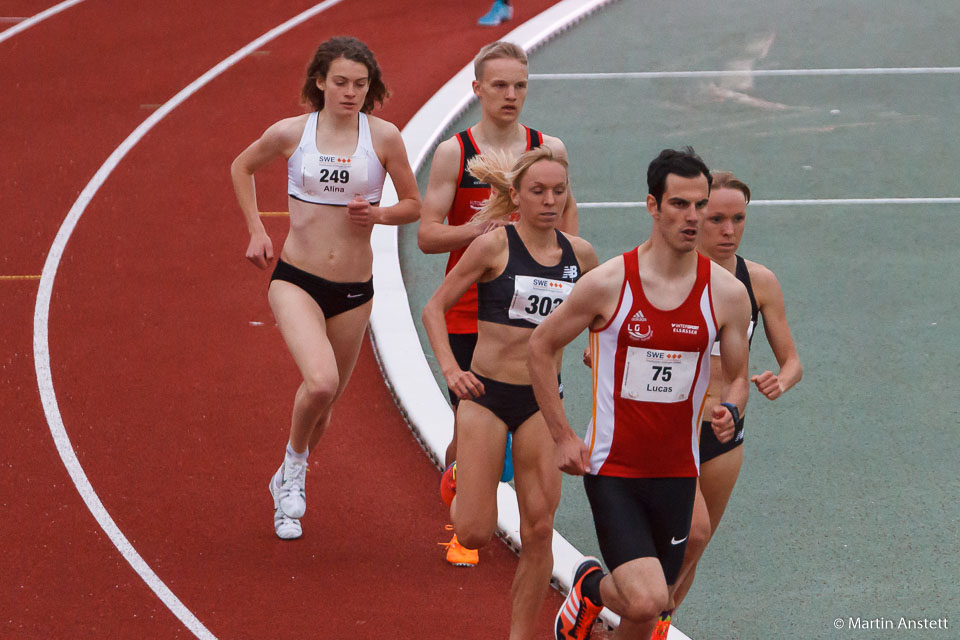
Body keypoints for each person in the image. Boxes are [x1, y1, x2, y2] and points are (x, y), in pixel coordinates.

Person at [527, 148, 752, 640]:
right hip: (615, 468)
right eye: (679, 204)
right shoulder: (608, 283)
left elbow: (738, 375)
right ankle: (591, 589)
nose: (692, 217)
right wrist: (563, 435)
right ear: (653, 205)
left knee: (654, 603)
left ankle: (590, 590)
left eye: (700, 205)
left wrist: (733, 407)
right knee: (648, 596)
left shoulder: (727, 295)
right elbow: (540, 346)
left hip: (678, 470)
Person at [230, 37, 420, 540]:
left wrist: (379, 213)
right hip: (296, 278)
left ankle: (288, 473)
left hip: (355, 290)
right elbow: (242, 166)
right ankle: (292, 472)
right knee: (320, 382)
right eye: (340, 82)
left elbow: (414, 205)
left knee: (325, 408)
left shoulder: (383, 138)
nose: (350, 92)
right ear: (320, 82)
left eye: (360, 84)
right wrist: (255, 229)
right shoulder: (292, 133)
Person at [422, 147, 598, 639]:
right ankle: (460, 475)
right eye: (538, 191)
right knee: (474, 532)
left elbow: (606, 317)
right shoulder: (493, 247)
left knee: (539, 529)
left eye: (558, 191)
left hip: (543, 403)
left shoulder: (580, 255)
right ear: (515, 195)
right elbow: (435, 310)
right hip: (486, 397)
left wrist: (595, 348)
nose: (549, 200)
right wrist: (452, 371)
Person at [418, 40, 578, 565]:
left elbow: (569, 238)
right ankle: (465, 486)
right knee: (470, 428)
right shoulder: (456, 152)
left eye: (521, 86)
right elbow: (427, 235)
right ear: (478, 89)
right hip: (472, 316)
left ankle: (487, 483)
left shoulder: (546, 149)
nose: (511, 95)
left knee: (516, 431)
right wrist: (481, 229)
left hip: (536, 319)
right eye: (501, 85)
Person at [668, 171, 803, 618]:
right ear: (696, 216)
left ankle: (655, 624)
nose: (728, 231)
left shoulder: (758, 281)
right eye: (717, 218)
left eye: (738, 219)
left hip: (726, 428)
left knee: (695, 547)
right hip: (668, 425)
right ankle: (620, 601)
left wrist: (779, 381)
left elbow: (792, 361)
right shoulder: (668, 276)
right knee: (685, 533)